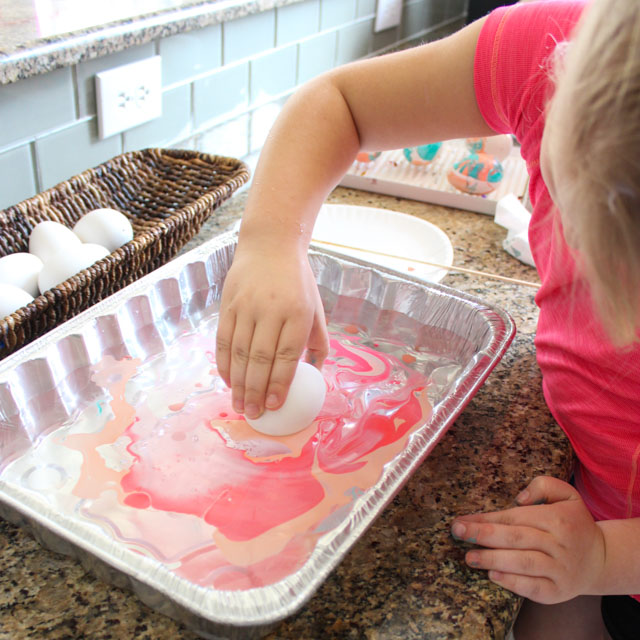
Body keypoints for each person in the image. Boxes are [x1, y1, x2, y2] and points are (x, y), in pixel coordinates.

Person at [215, 1, 640, 637]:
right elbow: (340, 103)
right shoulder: (552, 52)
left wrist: (607, 559)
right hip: (584, 507)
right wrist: (272, 240)